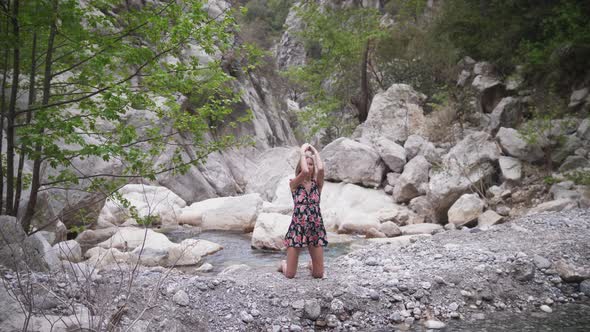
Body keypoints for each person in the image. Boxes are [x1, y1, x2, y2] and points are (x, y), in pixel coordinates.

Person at [278, 143, 328, 278]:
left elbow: (321, 169)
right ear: (300, 166)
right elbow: (305, 172)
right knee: (290, 275)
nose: (309, 167)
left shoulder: (317, 185)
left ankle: (312, 264)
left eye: (311, 164)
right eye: (306, 163)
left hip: (315, 228)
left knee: (318, 275)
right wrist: (302, 152)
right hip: (297, 228)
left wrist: (315, 151)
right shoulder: (294, 184)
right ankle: (283, 264)